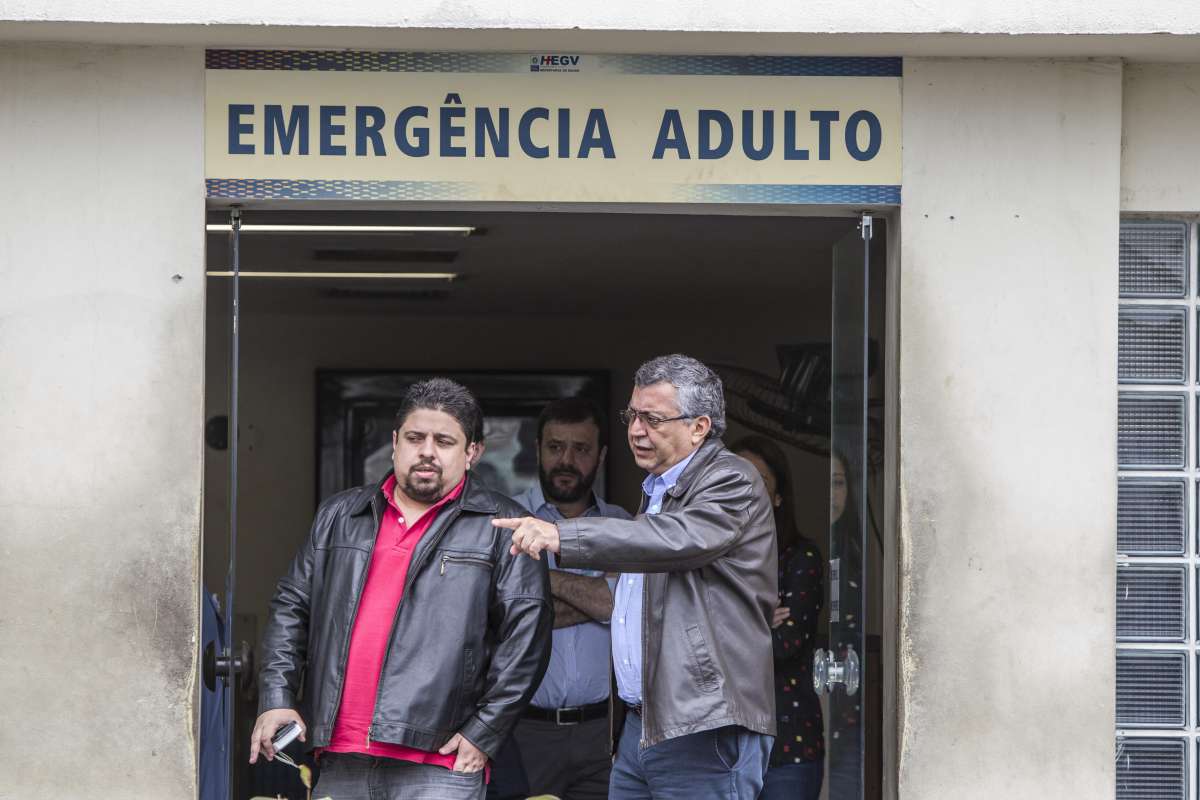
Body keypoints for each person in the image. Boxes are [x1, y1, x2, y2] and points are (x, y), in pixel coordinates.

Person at [250, 377, 553, 800]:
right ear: (395, 442)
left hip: (440, 765)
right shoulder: (339, 515)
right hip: (340, 757)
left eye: (444, 441)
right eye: (415, 438)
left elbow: (527, 637)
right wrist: (277, 696)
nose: (427, 451)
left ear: (472, 453)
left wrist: (485, 731)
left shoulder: (504, 526)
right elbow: (291, 608)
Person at [496, 354, 778, 800]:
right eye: (632, 416)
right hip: (642, 726)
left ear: (699, 427)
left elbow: (675, 540)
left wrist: (561, 535)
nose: (636, 430)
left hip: (702, 726)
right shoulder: (659, 489)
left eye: (653, 419)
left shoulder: (732, 479)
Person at [508, 397, 631, 800]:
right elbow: (508, 617)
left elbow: (626, 609)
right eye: (556, 447)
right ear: (538, 449)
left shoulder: (623, 527)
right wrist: (600, 597)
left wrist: (539, 579)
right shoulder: (506, 521)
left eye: (581, 449)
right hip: (524, 730)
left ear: (601, 455)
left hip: (602, 731)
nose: (566, 460)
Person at [731, 436, 825, 800]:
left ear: (778, 497)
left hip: (787, 745)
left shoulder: (800, 558)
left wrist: (722, 626)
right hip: (720, 749)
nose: (744, 489)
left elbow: (785, 645)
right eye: (734, 478)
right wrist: (754, 619)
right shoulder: (707, 557)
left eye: (758, 481)